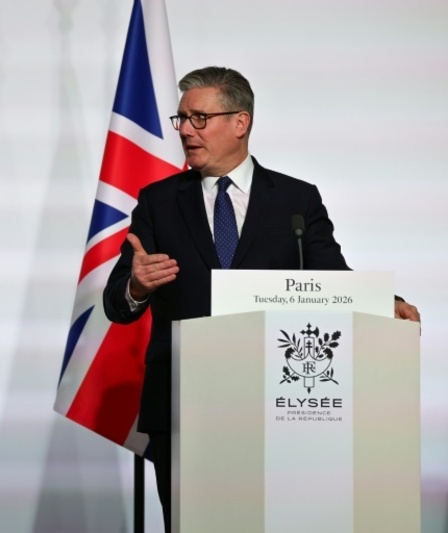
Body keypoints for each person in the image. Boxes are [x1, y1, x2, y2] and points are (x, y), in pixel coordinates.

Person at [102, 66, 420, 532]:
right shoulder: (158, 201)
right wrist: (136, 286)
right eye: (182, 119)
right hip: (182, 407)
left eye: (199, 118)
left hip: (276, 407)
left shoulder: (296, 200)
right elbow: (116, 303)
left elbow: (332, 279)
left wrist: (382, 303)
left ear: (240, 122)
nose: (186, 130)